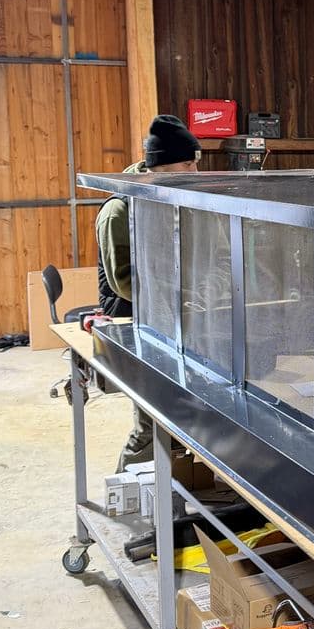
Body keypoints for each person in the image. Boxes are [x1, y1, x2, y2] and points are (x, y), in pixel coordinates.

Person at [95, 114, 201, 469]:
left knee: (183, 411)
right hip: (134, 322)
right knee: (151, 419)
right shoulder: (119, 210)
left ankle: (178, 482)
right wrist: (181, 294)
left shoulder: (172, 199)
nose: (195, 172)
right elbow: (123, 282)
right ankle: (127, 487)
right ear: (162, 165)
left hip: (172, 317)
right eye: (188, 164)